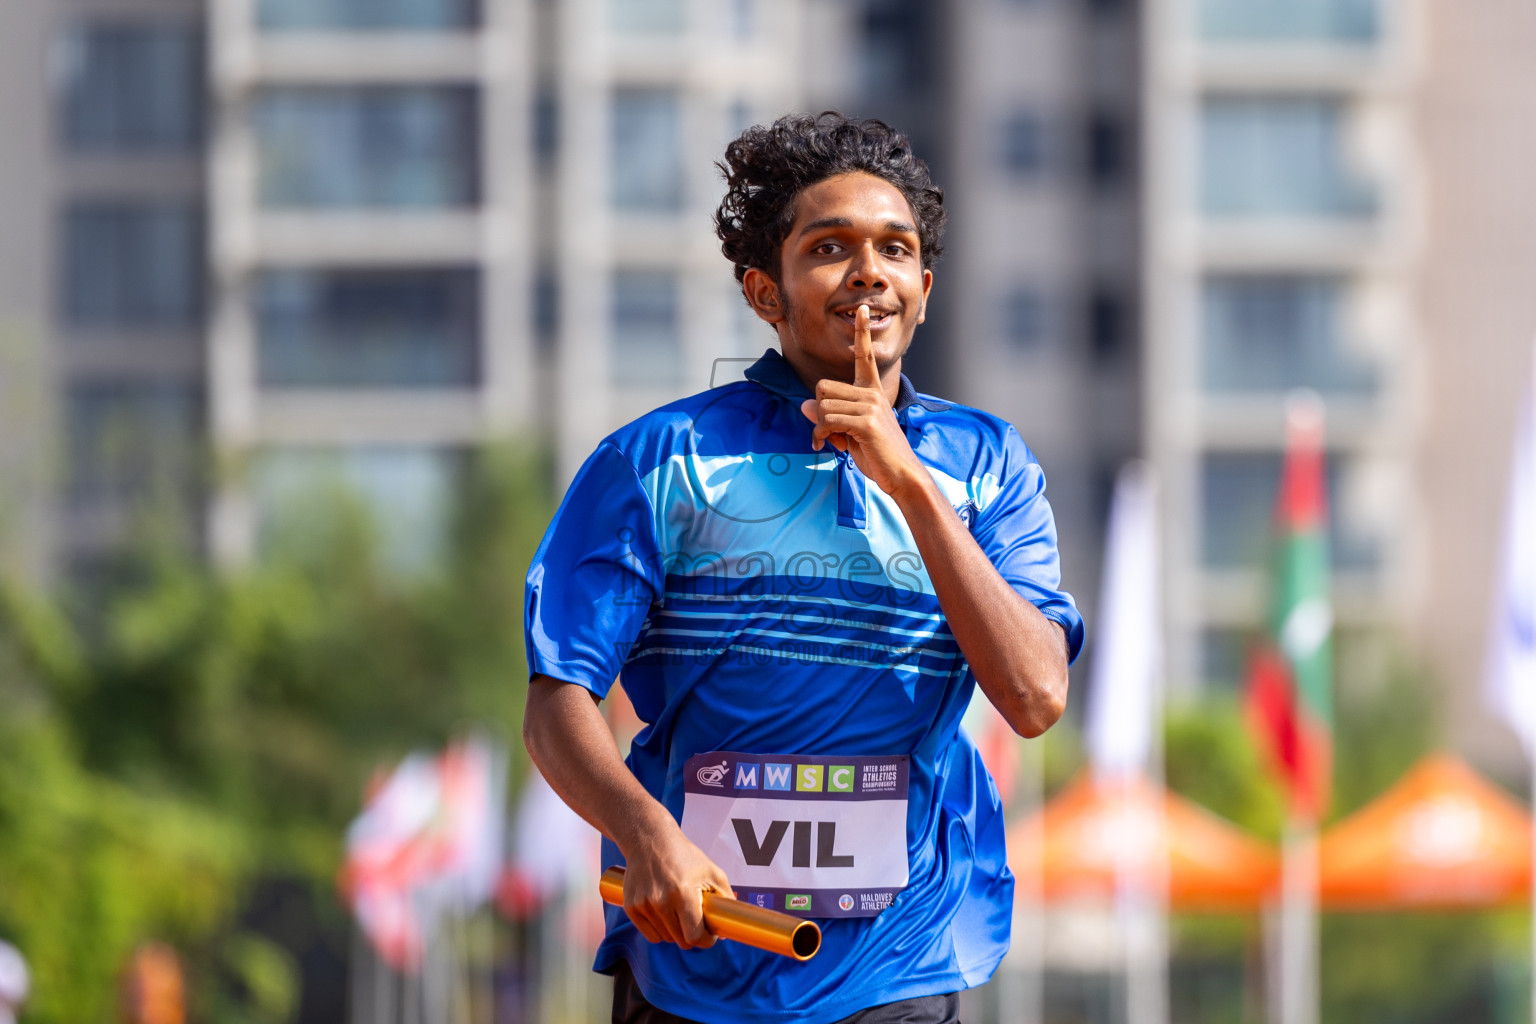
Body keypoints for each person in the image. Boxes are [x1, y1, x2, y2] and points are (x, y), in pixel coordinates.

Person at [523, 112, 1083, 1024]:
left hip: (897, 965)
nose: (869, 271)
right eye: (830, 247)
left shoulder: (989, 466)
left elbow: (1032, 696)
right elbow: (555, 706)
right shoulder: (659, 459)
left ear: (925, 289)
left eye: (894, 250)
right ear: (764, 292)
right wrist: (645, 833)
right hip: (694, 963)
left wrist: (903, 474)